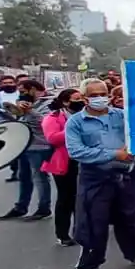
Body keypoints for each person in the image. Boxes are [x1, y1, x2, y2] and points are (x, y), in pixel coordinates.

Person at [64, 79, 135, 269]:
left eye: (103, 93)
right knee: (92, 223)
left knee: (133, 218)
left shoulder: (122, 116)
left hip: (125, 176)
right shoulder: (76, 122)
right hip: (95, 178)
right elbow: (76, 151)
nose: (100, 98)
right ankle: (89, 265)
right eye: (94, 94)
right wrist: (114, 154)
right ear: (84, 98)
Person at [0, 78, 53, 221]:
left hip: (40, 146)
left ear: (33, 90)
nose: (21, 94)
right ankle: (21, 207)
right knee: (24, 177)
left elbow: (46, 123)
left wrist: (29, 111)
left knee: (40, 178)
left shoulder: (49, 102)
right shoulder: (24, 102)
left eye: (23, 91)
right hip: (25, 145)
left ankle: (44, 208)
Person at [43, 88, 82, 247]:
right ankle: (63, 234)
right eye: (76, 98)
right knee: (66, 198)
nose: (80, 101)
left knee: (81, 199)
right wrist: (72, 129)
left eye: (81, 98)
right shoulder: (53, 118)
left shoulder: (86, 115)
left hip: (85, 160)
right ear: (66, 101)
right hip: (64, 163)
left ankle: (80, 231)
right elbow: (52, 139)